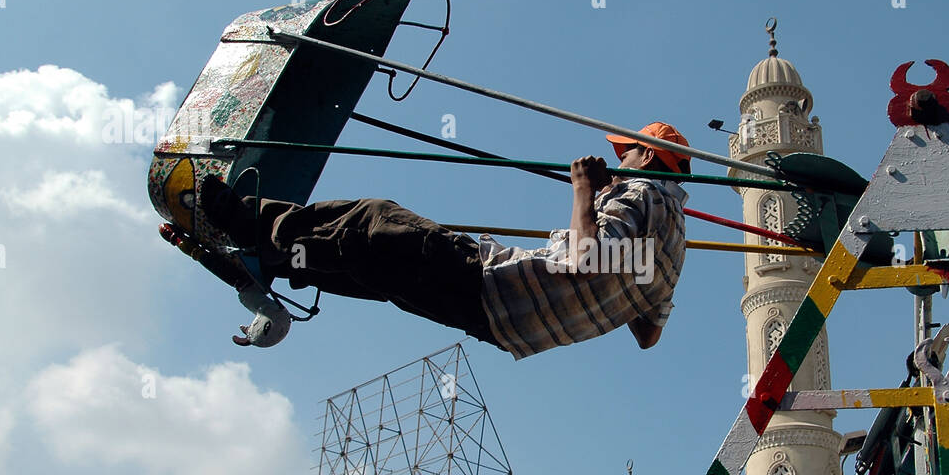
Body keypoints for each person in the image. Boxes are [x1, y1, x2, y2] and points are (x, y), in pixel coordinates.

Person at [197, 122, 691, 358]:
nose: (620, 162)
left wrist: (584, 188)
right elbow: (648, 335)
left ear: (647, 157)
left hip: (492, 282)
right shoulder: (675, 250)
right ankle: (279, 264)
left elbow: (584, 258)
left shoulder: (640, 192)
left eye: (626, 155)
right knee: (378, 270)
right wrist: (619, 286)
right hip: (499, 327)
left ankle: (242, 221)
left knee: (376, 221)